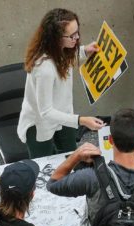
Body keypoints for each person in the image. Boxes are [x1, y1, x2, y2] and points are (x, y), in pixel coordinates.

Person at [18, 8, 105, 157]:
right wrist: (82, 120)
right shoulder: (44, 68)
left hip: (63, 114)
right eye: (72, 36)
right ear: (56, 38)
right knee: (44, 165)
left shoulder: (61, 49)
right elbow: (46, 112)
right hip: (39, 122)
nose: (77, 38)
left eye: (77, 32)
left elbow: (66, 60)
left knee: (71, 157)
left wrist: (84, 51)